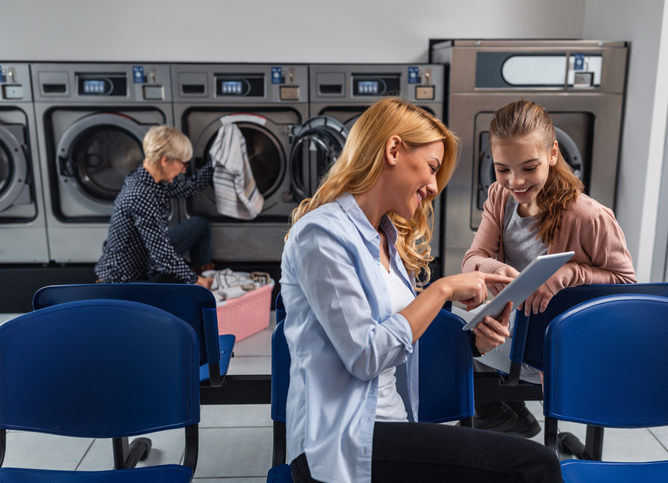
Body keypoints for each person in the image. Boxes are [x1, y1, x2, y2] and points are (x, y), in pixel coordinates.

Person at [281, 98, 562, 483]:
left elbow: (401, 341)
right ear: (393, 150)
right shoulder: (321, 235)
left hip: (390, 425)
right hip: (345, 441)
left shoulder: (384, 238)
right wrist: (441, 290)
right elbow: (365, 355)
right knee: (535, 466)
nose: (433, 187)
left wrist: (475, 341)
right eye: (431, 168)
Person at [462, 99, 636, 438]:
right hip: (518, 338)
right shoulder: (500, 197)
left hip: (558, 351)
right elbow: (472, 259)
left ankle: (500, 418)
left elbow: (626, 285)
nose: (515, 182)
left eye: (529, 167)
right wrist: (498, 269)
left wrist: (567, 274)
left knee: (451, 335)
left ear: (553, 153)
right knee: (456, 315)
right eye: (503, 169)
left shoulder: (590, 217)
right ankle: (506, 415)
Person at [95, 125, 214, 288]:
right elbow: (162, 255)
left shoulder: (150, 179)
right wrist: (195, 280)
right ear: (165, 160)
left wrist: (216, 163)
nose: (182, 170)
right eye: (182, 164)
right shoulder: (141, 195)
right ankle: (201, 286)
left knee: (199, 226)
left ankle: (204, 276)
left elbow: (189, 187)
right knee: (178, 287)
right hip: (125, 281)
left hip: (146, 258)